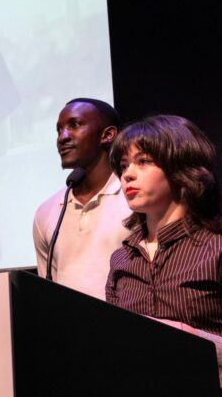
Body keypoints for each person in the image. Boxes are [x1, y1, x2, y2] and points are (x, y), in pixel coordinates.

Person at [105, 115, 222, 394]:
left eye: (143, 161)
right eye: (124, 165)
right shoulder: (122, 260)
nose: (127, 174)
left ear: (180, 166)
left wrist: (194, 343)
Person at [33, 98, 131, 299]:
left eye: (74, 125)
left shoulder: (136, 198)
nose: (62, 137)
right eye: (59, 130)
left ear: (108, 135)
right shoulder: (47, 211)